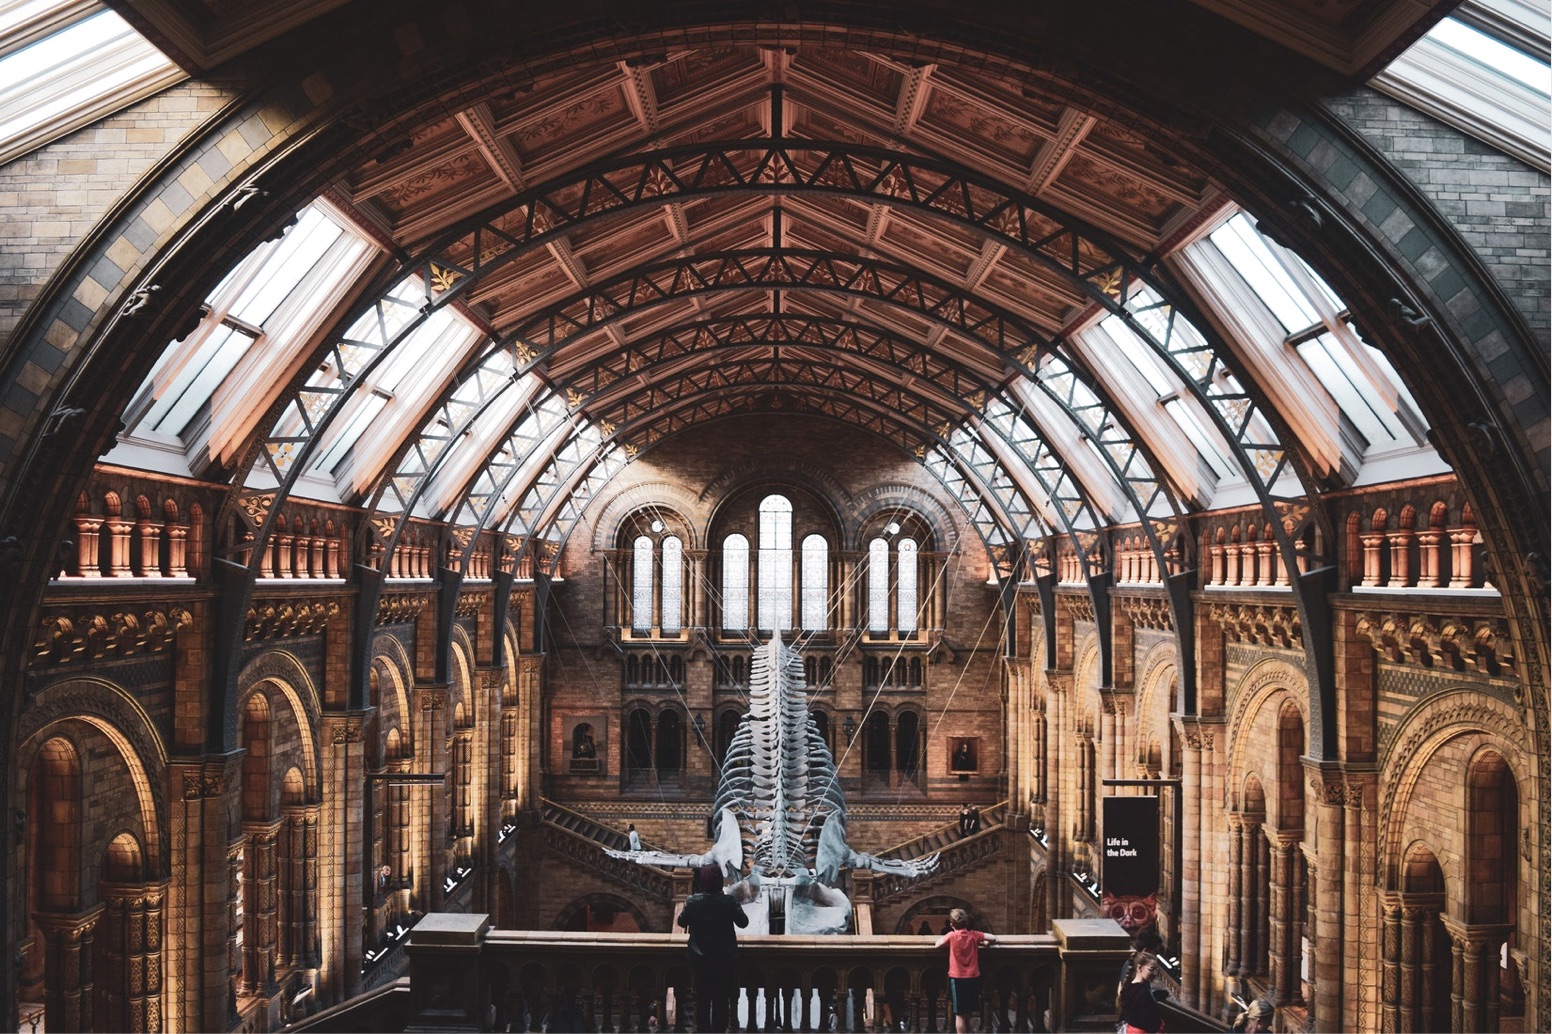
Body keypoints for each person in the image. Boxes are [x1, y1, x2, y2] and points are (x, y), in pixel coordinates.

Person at [677, 864, 748, 1033]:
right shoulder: (729, 902)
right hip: (724, 959)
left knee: (701, 1000)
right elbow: (743, 922)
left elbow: (681, 922)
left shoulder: (693, 901)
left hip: (700, 959)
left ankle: (702, 1030)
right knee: (721, 1000)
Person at [933, 908, 996, 1033]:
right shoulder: (974, 935)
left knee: (960, 1014)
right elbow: (993, 938)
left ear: (951, 925)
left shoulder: (952, 936)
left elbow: (937, 944)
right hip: (973, 977)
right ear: (967, 923)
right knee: (970, 1013)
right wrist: (983, 943)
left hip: (958, 979)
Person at [1117, 951, 1165, 1034]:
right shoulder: (1142, 993)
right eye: (1151, 969)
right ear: (1139, 968)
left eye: (1156, 970)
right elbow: (1148, 1022)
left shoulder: (1127, 988)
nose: (1154, 974)